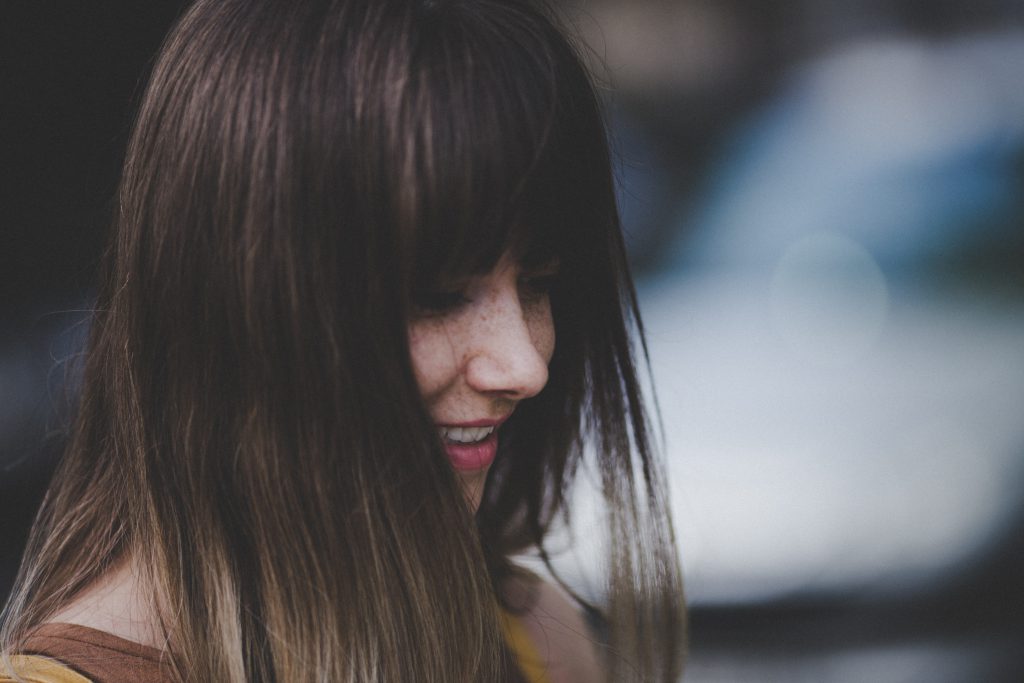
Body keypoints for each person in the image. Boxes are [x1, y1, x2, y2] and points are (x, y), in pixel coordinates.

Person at [0, 0, 685, 681]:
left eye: (537, 283)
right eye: (439, 296)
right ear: (243, 300)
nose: (525, 364)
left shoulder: (535, 637)